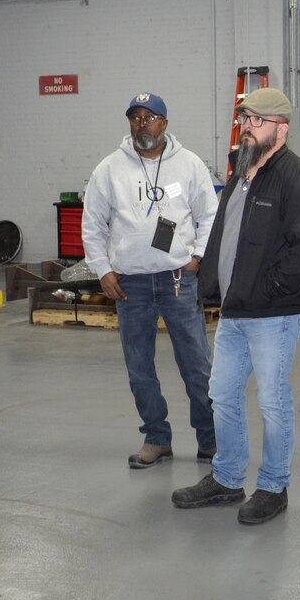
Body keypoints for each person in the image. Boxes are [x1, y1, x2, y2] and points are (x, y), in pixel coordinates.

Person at [172, 87, 300, 525]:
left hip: (274, 314)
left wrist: (271, 285)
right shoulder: (243, 173)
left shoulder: (296, 178)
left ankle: (274, 486)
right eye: (245, 120)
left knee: (273, 402)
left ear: (281, 128)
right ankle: (226, 478)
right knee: (222, 395)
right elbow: (225, 233)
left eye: (256, 121)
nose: (247, 128)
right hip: (236, 311)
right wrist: (209, 280)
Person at [82, 93, 219, 470]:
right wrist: (103, 270)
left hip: (178, 279)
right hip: (131, 285)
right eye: (135, 117)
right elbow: (92, 225)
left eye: (150, 117)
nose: (142, 124)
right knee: (139, 366)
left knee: (196, 364)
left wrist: (197, 258)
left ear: (165, 123)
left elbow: (210, 215)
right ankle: (156, 437)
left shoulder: (189, 165)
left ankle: (209, 440)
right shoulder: (108, 170)